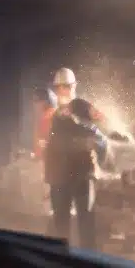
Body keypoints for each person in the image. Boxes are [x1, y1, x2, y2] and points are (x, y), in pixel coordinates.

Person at [46, 98, 110, 249]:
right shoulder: (88, 129)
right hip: (80, 179)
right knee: (85, 223)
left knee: (61, 225)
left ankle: (59, 259)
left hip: (61, 180)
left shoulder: (57, 124)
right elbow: (102, 146)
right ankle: (87, 261)